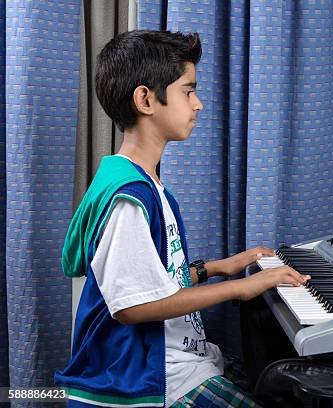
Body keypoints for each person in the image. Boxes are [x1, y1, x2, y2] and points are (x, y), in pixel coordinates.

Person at [55, 30, 309, 408]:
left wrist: (220, 267)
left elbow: (149, 280)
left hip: (180, 362)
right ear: (145, 100)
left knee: (285, 384)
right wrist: (241, 287)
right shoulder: (129, 197)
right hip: (155, 380)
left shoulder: (145, 183)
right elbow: (131, 306)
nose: (198, 104)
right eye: (188, 91)